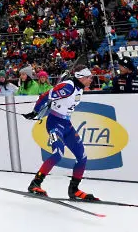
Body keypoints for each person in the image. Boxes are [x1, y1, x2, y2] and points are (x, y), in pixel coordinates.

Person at [22, 68, 98, 202]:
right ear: (81, 78)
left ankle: (74, 189)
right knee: (58, 153)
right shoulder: (68, 87)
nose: (91, 80)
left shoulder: (79, 88)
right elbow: (44, 96)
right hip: (54, 124)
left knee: (82, 157)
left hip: (67, 125)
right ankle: (35, 183)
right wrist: (35, 112)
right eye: (89, 77)